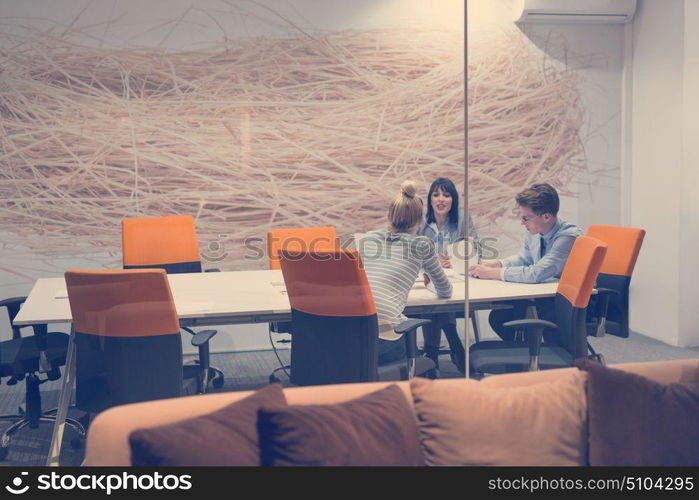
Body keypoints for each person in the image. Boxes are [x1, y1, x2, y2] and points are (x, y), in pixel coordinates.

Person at [468, 183, 582, 340]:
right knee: (500, 317)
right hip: (545, 294)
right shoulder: (536, 228)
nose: (522, 223)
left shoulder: (568, 237)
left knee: (511, 317)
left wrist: (494, 273)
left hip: (567, 302)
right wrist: (498, 264)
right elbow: (524, 258)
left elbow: (536, 273)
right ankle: (526, 354)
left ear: (546, 216)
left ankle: (541, 356)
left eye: (525, 218)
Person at [359, 180, 452, 365]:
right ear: (420, 219)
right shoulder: (422, 244)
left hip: (351, 339)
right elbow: (445, 291)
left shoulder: (367, 239)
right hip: (385, 343)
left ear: (389, 216)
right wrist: (429, 284)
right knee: (402, 334)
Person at [419, 177, 476, 373]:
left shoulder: (462, 219)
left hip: (456, 281)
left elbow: (475, 249)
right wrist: (431, 259)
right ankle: (454, 341)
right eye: (436, 195)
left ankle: (431, 354)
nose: (441, 199)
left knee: (441, 297)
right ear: (430, 199)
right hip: (426, 279)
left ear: (453, 200)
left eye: (446, 195)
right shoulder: (422, 220)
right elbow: (410, 250)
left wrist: (455, 259)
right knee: (434, 298)